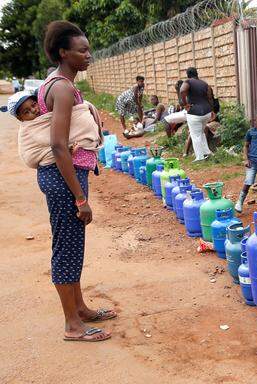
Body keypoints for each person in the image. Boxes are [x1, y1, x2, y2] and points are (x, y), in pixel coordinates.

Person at [37, 20, 115, 342]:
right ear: (63, 52)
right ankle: (72, 324)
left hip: (64, 177)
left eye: (88, 49)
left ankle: (79, 308)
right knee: (66, 250)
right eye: (82, 50)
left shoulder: (55, 84)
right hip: (64, 178)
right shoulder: (63, 88)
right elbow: (58, 145)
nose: (89, 54)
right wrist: (80, 198)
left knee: (72, 246)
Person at [180, 67, 219, 162]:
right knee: (201, 133)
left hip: (195, 114)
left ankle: (200, 157)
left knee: (195, 135)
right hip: (206, 113)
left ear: (188, 74)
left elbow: (182, 90)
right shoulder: (205, 84)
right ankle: (207, 152)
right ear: (197, 74)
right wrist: (212, 110)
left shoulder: (188, 82)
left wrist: (185, 104)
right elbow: (210, 98)